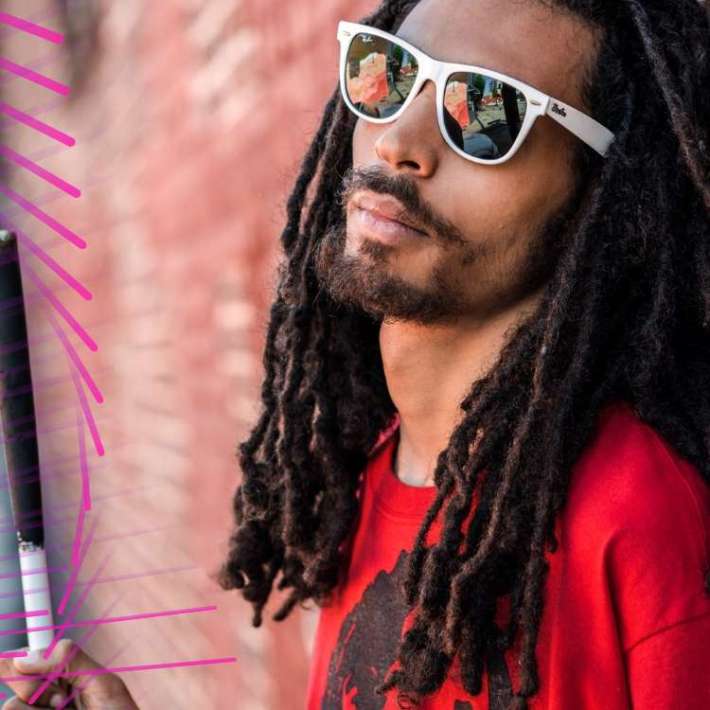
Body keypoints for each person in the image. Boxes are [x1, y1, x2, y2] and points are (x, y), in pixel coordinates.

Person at [2, 0, 709, 707]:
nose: (397, 140)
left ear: (601, 198)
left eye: (486, 111)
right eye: (391, 73)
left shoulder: (641, 516)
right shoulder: (371, 479)